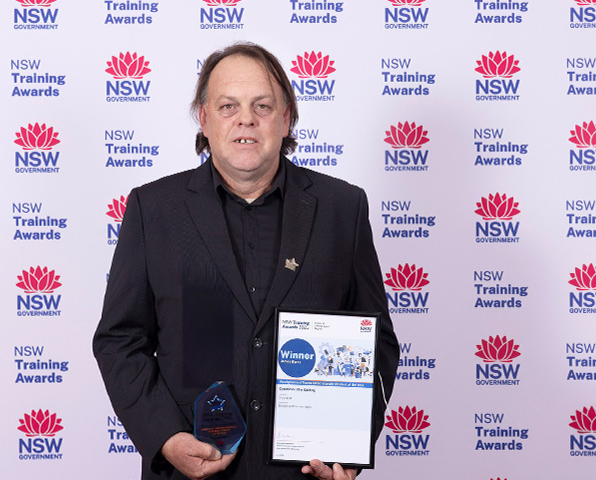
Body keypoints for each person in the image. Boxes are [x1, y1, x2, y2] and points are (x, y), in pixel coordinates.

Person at [93, 42, 399, 480]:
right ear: (204, 118)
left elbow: (378, 341)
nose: (246, 119)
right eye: (227, 106)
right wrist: (164, 438)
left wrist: (348, 447)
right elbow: (119, 340)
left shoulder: (342, 208)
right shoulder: (153, 209)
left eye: (263, 105)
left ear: (287, 117)